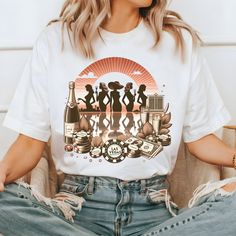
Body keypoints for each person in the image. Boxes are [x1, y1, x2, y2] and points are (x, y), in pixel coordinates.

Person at [0, 0, 236, 235]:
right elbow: (30, 142)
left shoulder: (178, 42)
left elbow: (200, 138)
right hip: (75, 210)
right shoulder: (55, 41)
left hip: (154, 209)